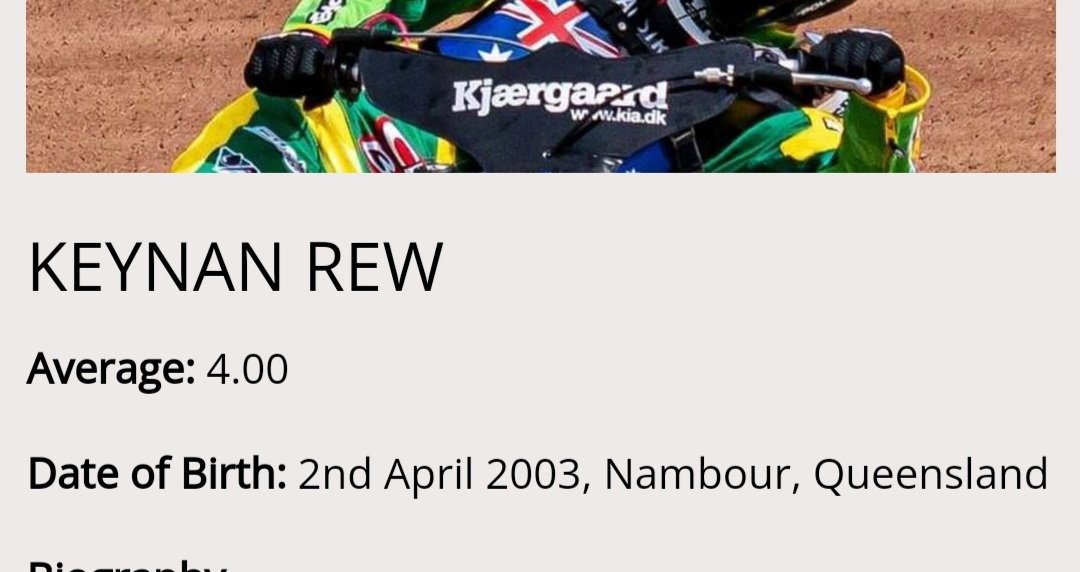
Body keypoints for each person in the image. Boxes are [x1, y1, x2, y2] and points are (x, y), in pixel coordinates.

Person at [172, 0, 931, 173]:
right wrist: (313, 36)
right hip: (363, 152)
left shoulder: (776, 90)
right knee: (284, 117)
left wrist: (882, 100)